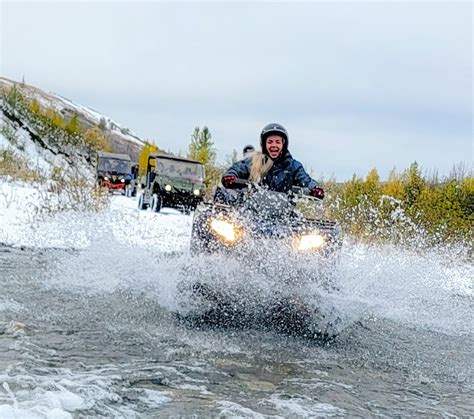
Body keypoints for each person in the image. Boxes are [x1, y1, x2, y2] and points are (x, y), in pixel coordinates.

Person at [221, 123, 324, 199]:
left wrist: (314, 188)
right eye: (270, 142)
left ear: (283, 144)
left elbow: (306, 180)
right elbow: (238, 168)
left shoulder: (293, 166)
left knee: (305, 227)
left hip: (285, 216)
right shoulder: (254, 161)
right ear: (264, 145)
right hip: (251, 212)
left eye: (277, 142)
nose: (274, 145)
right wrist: (230, 177)